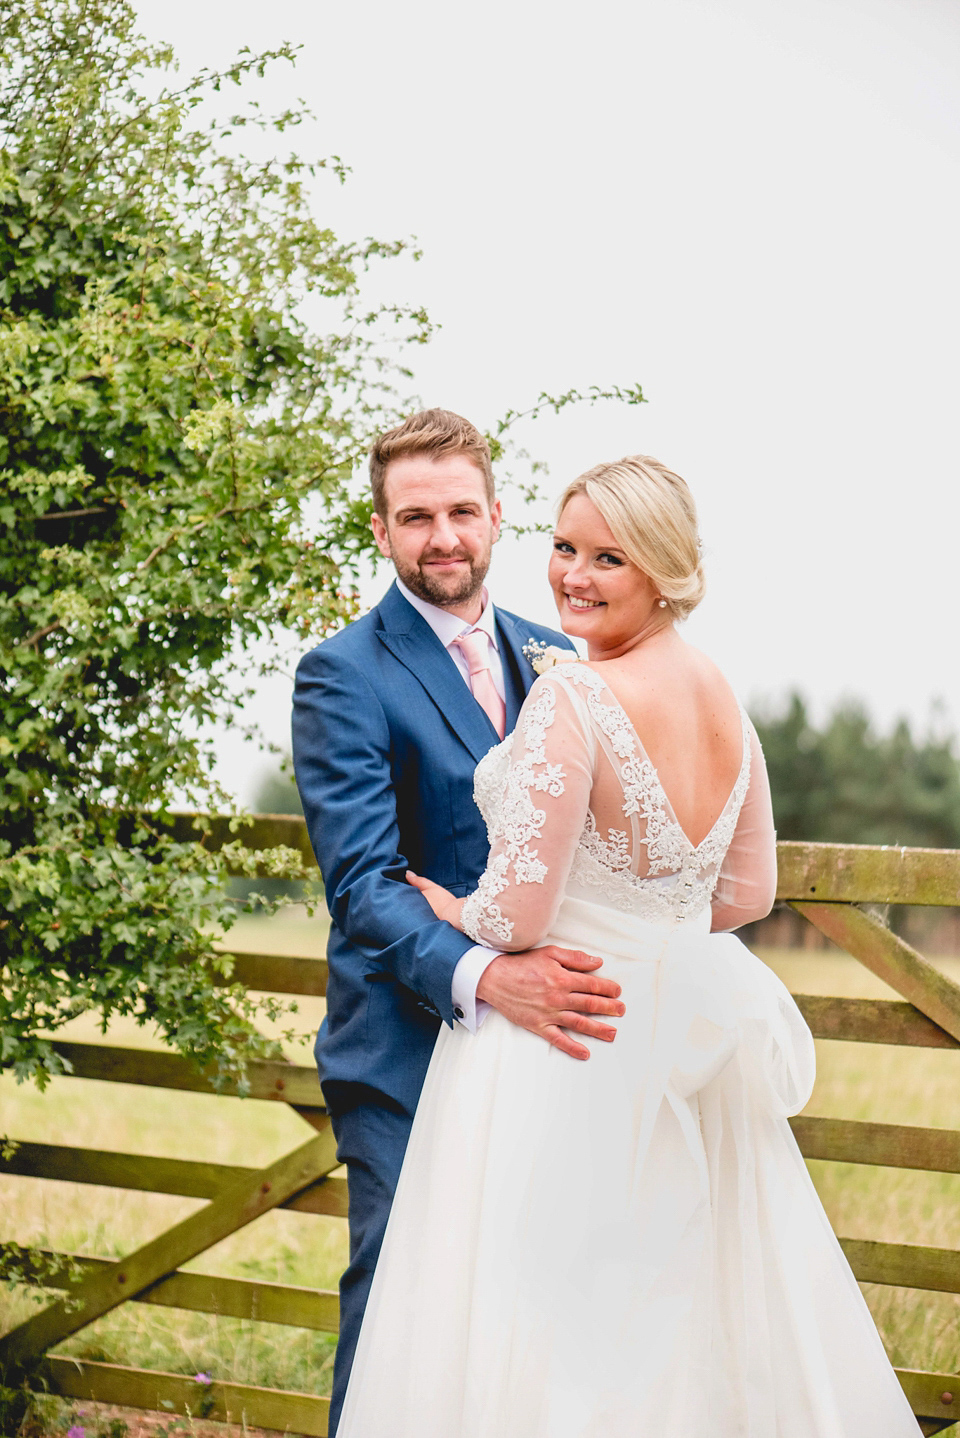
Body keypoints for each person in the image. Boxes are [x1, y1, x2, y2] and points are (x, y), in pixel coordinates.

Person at [335, 455, 920, 1436]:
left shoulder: (576, 696)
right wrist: (650, 929)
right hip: (674, 1038)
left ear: (665, 568)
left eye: (609, 556)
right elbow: (747, 892)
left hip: (562, 1042)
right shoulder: (724, 699)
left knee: (551, 1325)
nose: (574, 574)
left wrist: (445, 904)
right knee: (688, 1310)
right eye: (564, 547)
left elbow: (518, 917)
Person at [292, 409, 626, 1434]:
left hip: (549, 1052)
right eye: (416, 515)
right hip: (404, 1052)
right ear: (383, 528)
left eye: (461, 511)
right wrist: (491, 975)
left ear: (496, 514)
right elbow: (364, 883)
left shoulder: (559, 652)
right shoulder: (342, 673)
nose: (443, 536)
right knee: (401, 1311)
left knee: (529, 1316)